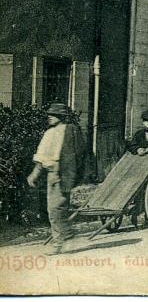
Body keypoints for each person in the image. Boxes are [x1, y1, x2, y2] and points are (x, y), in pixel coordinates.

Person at [26, 103, 86, 255]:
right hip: (52, 174)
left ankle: (60, 240)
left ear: (61, 116)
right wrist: (35, 173)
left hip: (63, 173)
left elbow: (80, 153)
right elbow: (41, 156)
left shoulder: (70, 131)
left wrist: (75, 174)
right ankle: (65, 234)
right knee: (55, 208)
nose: (49, 117)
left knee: (55, 209)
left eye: (53, 114)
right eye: (50, 114)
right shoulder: (50, 133)